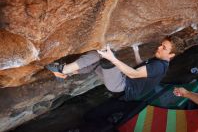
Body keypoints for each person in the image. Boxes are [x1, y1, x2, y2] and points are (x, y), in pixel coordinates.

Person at [46, 36, 185, 101]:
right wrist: (136, 50)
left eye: (164, 48)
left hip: (121, 85)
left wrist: (112, 58)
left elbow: (134, 74)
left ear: (171, 55)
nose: (159, 47)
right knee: (95, 64)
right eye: (161, 44)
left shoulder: (159, 67)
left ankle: (62, 70)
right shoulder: (160, 62)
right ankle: (66, 74)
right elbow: (143, 67)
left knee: (100, 54)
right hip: (124, 82)